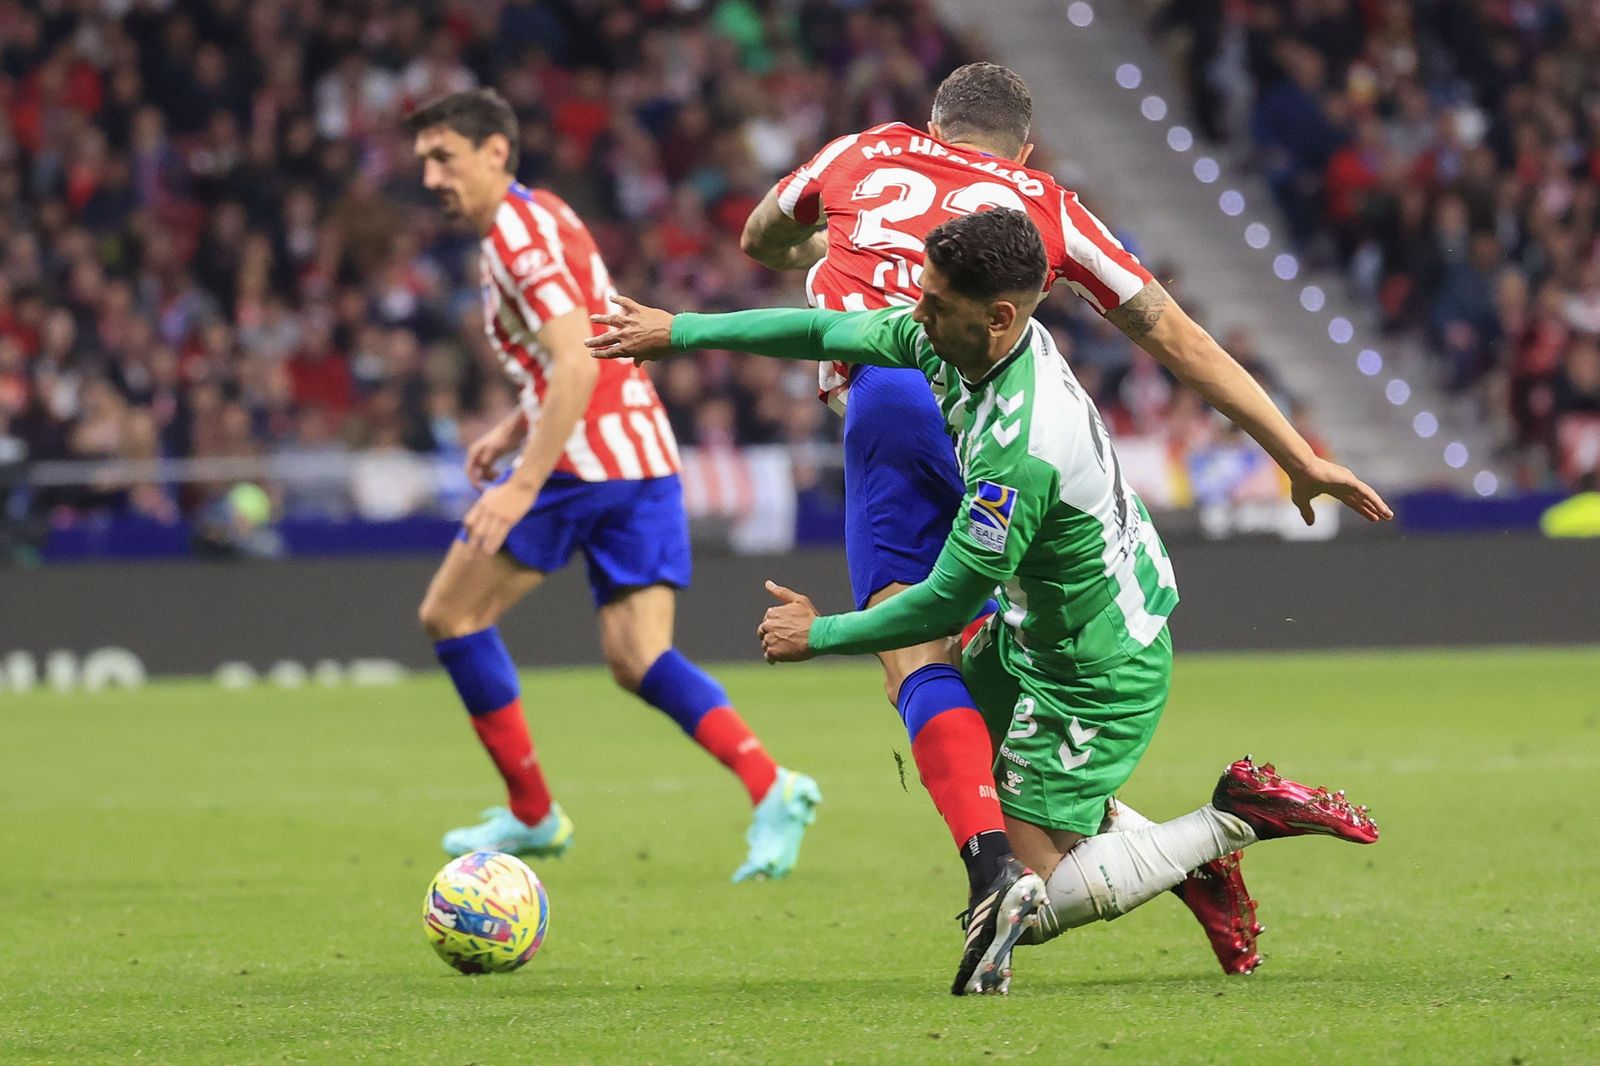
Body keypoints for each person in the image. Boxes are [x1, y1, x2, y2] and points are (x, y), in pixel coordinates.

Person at [588, 208, 1389, 994]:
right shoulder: (954, 339)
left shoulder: (1020, 449)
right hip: (1041, 624)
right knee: (948, 729)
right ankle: (1186, 856)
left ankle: (1234, 817)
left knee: (1028, 894)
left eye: (936, 304)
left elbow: (942, 602)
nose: (918, 313)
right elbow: (825, 333)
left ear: (1000, 316)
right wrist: (679, 331)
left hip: (1096, 664)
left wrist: (821, 632)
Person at [737, 62, 1260, 980]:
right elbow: (1173, 332)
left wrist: (811, 258)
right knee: (988, 674)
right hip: (996, 418)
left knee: (916, 652)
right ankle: (1180, 861)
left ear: (932, 128)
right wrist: (1296, 454)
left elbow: (761, 240)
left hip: (896, 411)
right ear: (1021, 148)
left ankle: (993, 878)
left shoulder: (862, 152)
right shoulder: (1045, 204)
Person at [407, 89, 819, 882]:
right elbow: (577, 349)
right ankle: (773, 785)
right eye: (424, 160)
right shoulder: (545, 212)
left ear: (495, 152)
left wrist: (522, 482)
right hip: (641, 454)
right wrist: (516, 421)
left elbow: (572, 362)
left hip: (582, 463)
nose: (430, 177)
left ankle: (533, 813)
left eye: (443, 157)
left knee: (451, 613)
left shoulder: (516, 238)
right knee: (639, 657)